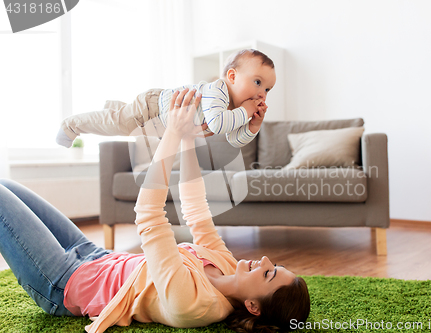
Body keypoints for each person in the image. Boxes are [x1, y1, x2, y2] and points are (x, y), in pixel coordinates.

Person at [1, 88, 310, 333]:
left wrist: (172, 134)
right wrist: (188, 139)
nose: (265, 261)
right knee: (6, 185)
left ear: (254, 307)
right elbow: (196, 210)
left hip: (63, 281)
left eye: (269, 273)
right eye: (274, 265)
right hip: (95, 255)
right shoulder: (228, 266)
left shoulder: (192, 304)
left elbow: (148, 215)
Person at [56, 49, 275, 149]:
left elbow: (233, 140)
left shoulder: (233, 110)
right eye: (257, 82)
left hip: (161, 123)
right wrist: (246, 112)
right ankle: (70, 126)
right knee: (119, 125)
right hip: (152, 108)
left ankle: (113, 108)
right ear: (232, 77)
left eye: (267, 89)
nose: (261, 93)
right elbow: (217, 125)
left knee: (122, 120)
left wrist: (253, 125)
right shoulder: (218, 89)